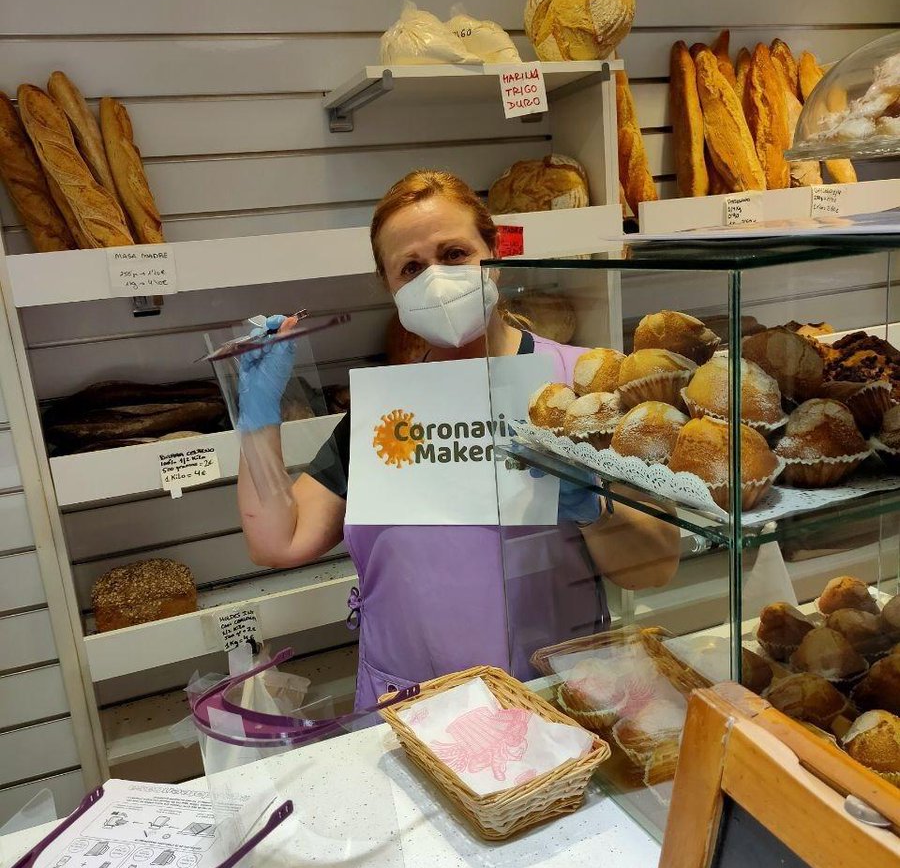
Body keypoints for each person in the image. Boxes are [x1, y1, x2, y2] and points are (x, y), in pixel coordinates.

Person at [237, 171, 680, 709]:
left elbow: (656, 567)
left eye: (454, 253)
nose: (437, 280)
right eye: (411, 268)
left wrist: (599, 510)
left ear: (494, 252)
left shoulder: (577, 386)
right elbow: (278, 540)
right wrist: (257, 417)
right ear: (390, 288)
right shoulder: (387, 414)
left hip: (552, 702)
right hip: (408, 712)